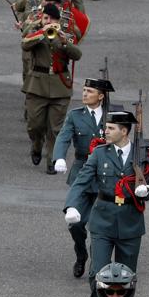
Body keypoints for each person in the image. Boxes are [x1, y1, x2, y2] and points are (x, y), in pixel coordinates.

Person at [65, 110, 149, 297]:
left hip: (130, 223)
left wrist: (146, 192)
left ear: (123, 131)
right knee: (97, 273)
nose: (105, 131)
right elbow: (81, 181)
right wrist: (71, 205)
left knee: (127, 278)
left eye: (110, 128)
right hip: (102, 221)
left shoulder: (141, 154)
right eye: (106, 127)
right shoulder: (100, 153)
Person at [53, 77, 113, 278]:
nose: (85, 94)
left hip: (107, 176)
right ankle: (81, 254)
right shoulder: (75, 115)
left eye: (90, 91)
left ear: (101, 96)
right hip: (82, 173)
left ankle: (98, 264)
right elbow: (63, 136)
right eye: (84, 90)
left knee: (100, 224)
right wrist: (59, 157)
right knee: (76, 223)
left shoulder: (112, 116)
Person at [22, 3, 83, 171]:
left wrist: (64, 43)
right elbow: (25, 44)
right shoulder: (34, 33)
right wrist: (42, 32)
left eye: (52, 18)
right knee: (34, 125)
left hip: (60, 84)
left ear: (58, 19)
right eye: (46, 18)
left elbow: (77, 55)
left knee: (55, 128)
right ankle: (36, 144)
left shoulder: (66, 34)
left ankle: (52, 160)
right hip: (37, 85)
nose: (49, 21)